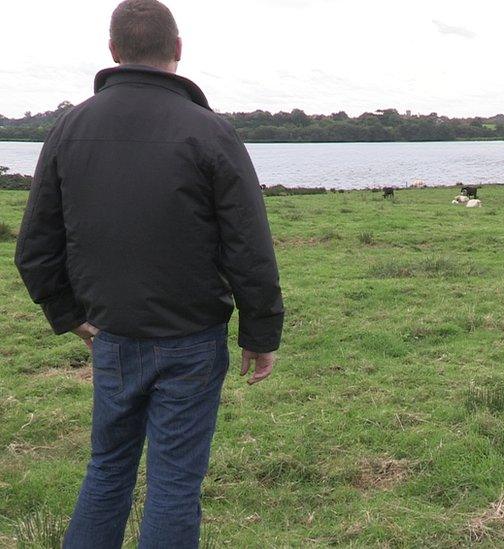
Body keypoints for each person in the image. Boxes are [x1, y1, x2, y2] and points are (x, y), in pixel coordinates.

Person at [13, 0, 284, 547]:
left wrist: (69, 315)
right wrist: (261, 331)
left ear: (113, 52)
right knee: (174, 483)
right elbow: (248, 246)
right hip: (191, 338)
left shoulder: (69, 128)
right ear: (177, 52)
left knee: (107, 468)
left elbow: (34, 247)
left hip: (111, 334)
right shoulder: (209, 131)